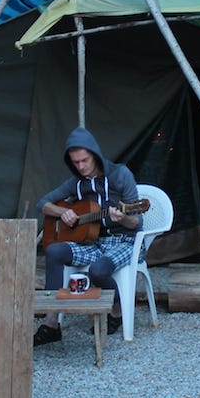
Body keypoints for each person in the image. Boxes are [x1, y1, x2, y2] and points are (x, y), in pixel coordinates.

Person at [33, 127, 142, 345]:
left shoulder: (121, 175)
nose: (81, 167)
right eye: (76, 163)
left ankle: (118, 309)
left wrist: (123, 218)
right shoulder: (76, 183)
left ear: (95, 155)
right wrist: (62, 211)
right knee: (54, 251)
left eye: (85, 160)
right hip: (95, 242)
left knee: (98, 270)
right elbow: (42, 203)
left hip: (126, 241)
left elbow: (137, 221)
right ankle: (51, 323)